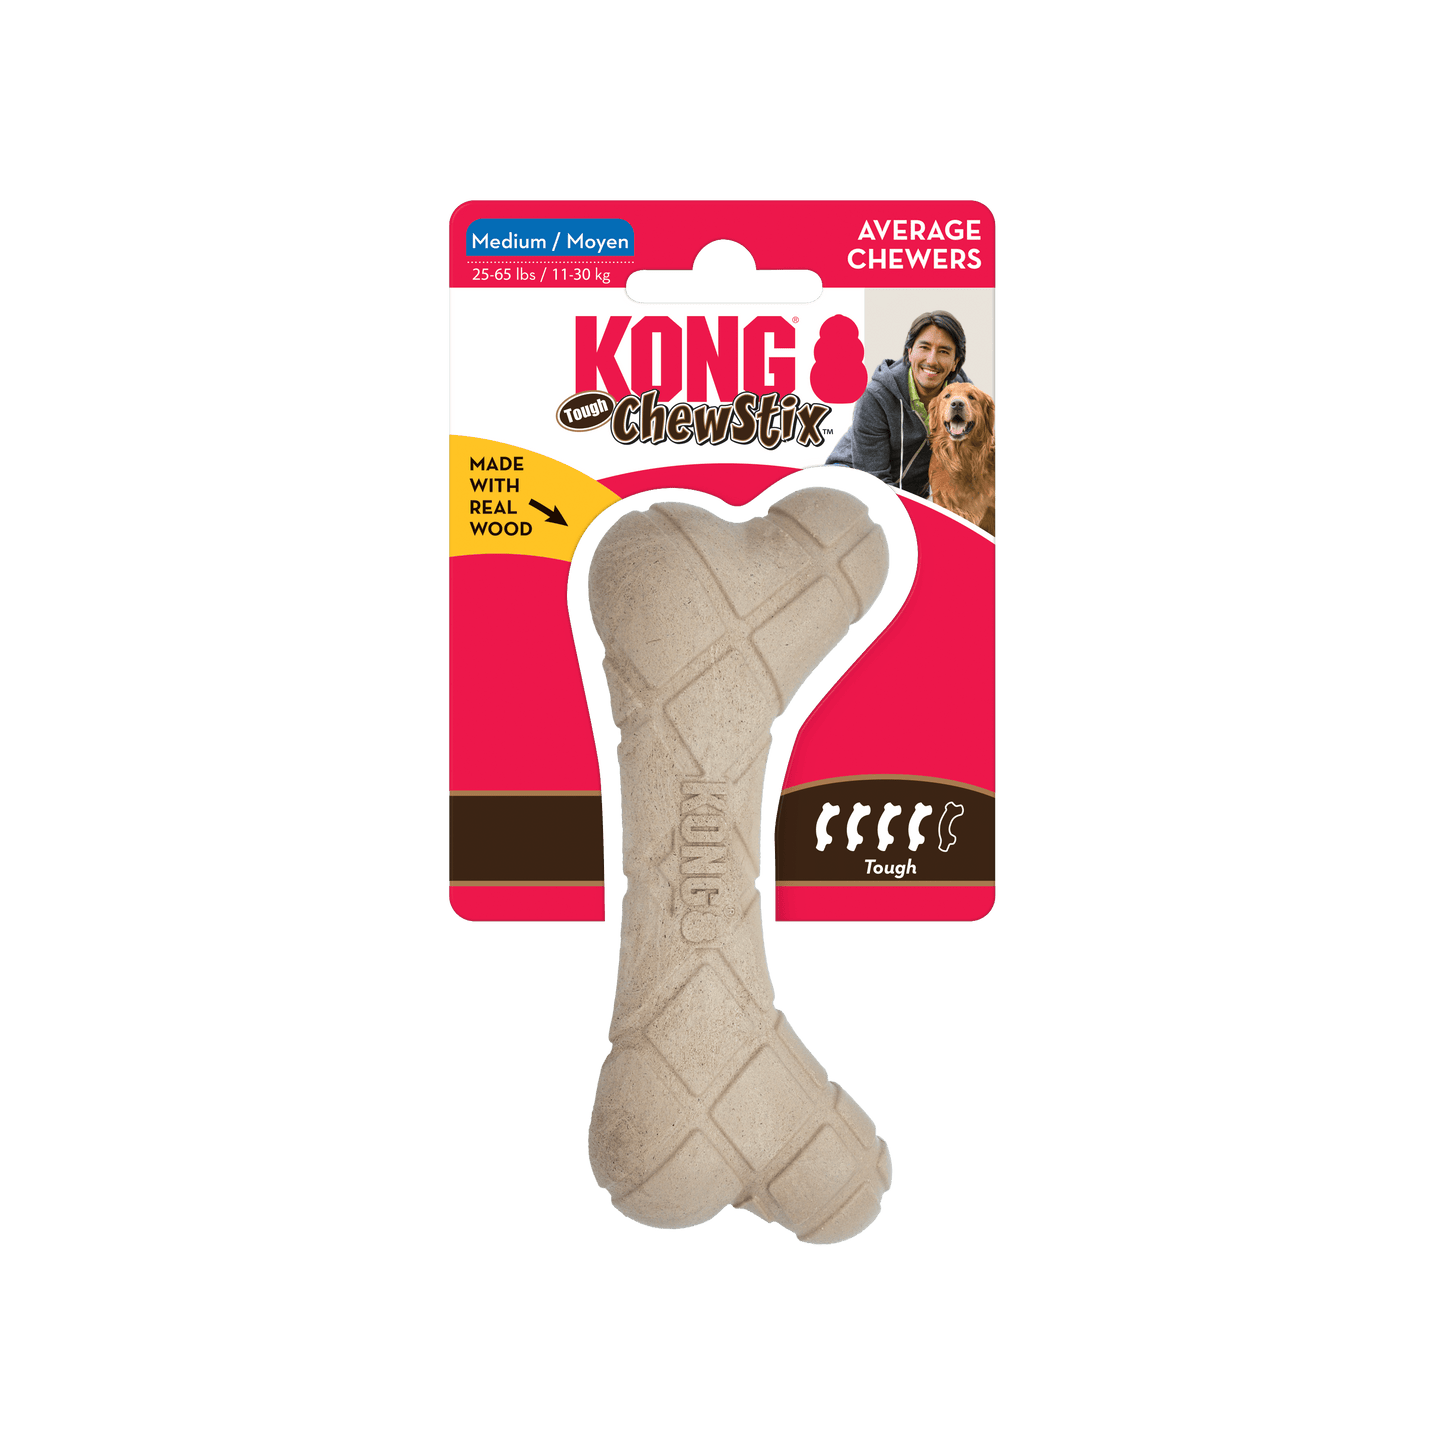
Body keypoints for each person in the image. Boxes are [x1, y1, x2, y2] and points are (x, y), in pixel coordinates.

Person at [824, 311, 969, 496]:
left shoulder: (963, 400)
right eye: (924, 347)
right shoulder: (876, 397)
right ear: (910, 352)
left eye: (943, 351)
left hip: (906, 493)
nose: (932, 360)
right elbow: (873, 481)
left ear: (956, 362)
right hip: (851, 479)